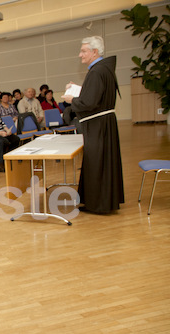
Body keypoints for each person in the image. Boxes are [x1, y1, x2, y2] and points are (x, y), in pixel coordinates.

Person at [61, 35, 124, 214]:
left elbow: (89, 103)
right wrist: (80, 89)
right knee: (102, 162)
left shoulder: (96, 71)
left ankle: (98, 204)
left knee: (97, 162)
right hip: (104, 122)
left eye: (83, 51)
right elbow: (96, 95)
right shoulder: (103, 69)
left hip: (98, 125)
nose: (80, 55)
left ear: (94, 52)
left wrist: (72, 99)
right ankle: (103, 200)